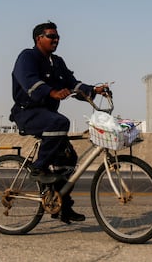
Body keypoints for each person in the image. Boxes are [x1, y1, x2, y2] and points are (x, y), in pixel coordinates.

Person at [10, 21, 107, 224]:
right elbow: (29, 82)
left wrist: (94, 90)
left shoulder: (58, 62)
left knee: (69, 161)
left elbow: (73, 84)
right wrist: (52, 91)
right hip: (27, 113)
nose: (56, 40)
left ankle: (62, 207)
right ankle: (39, 167)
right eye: (51, 36)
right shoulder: (27, 57)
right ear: (39, 38)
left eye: (57, 37)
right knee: (60, 121)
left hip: (47, 116)